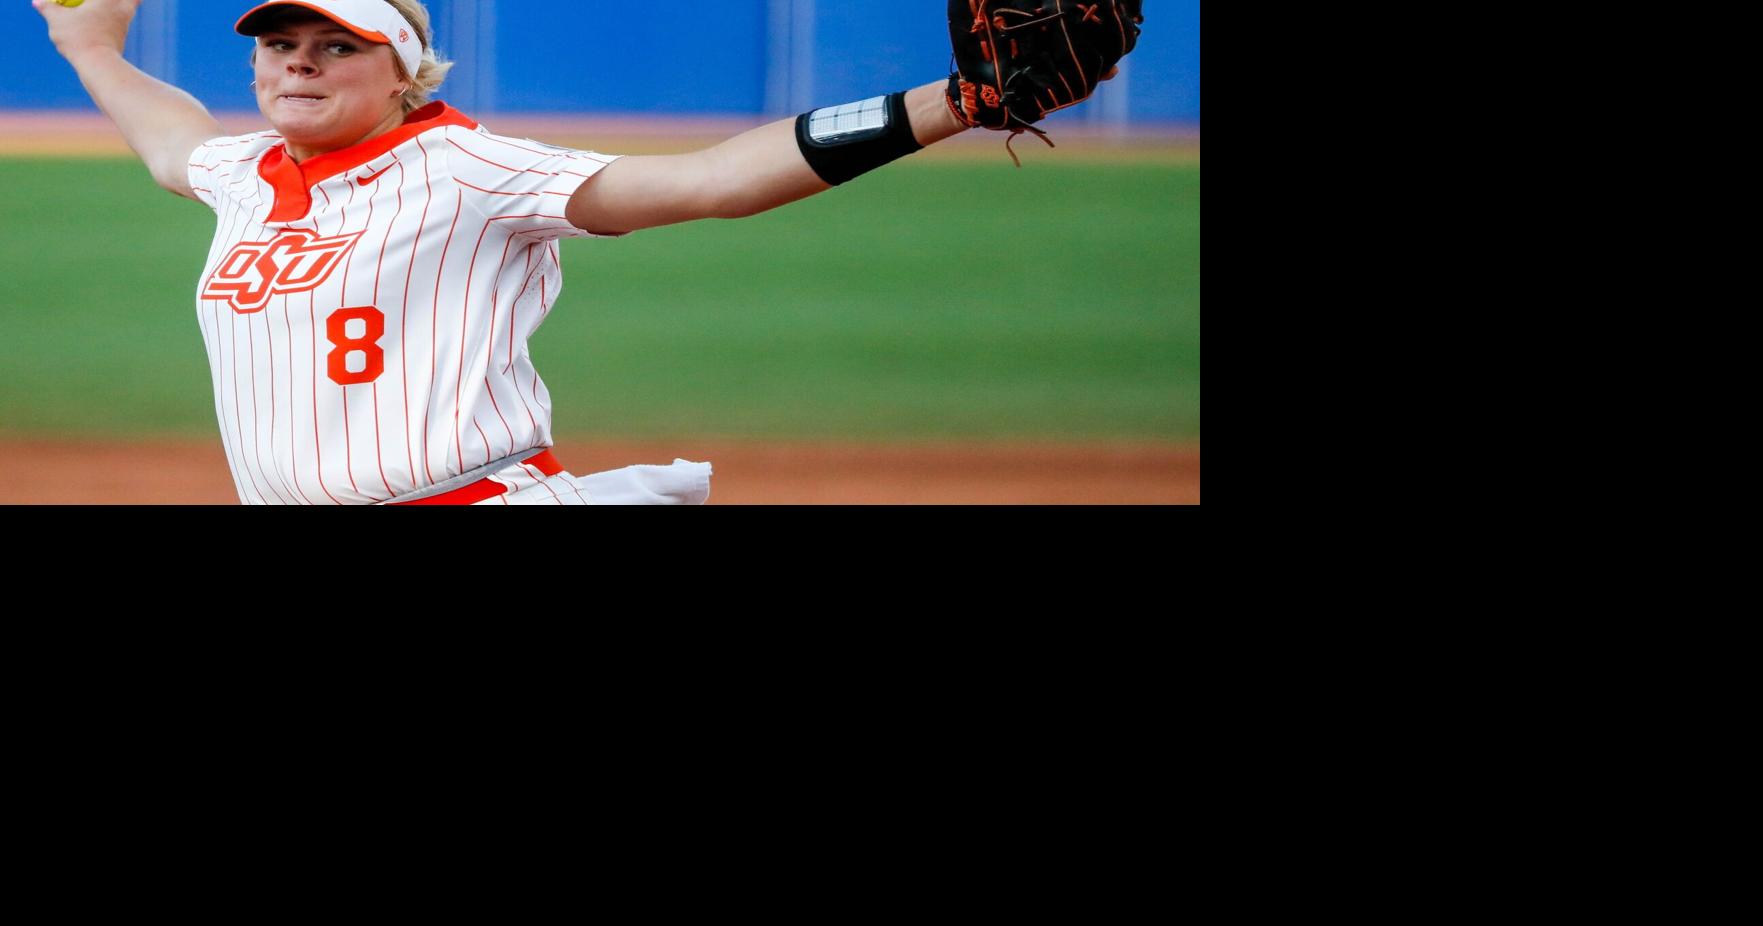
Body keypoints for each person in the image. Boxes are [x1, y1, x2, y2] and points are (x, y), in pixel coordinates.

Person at [31, 0, 1100, 504]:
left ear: (401, 71)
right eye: (279, 45)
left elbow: (707, 182)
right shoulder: (243, 174)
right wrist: (89, 46)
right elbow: (172, 140)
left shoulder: (466, 167)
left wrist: (955, 103)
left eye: (335, 46)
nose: (297, 65)